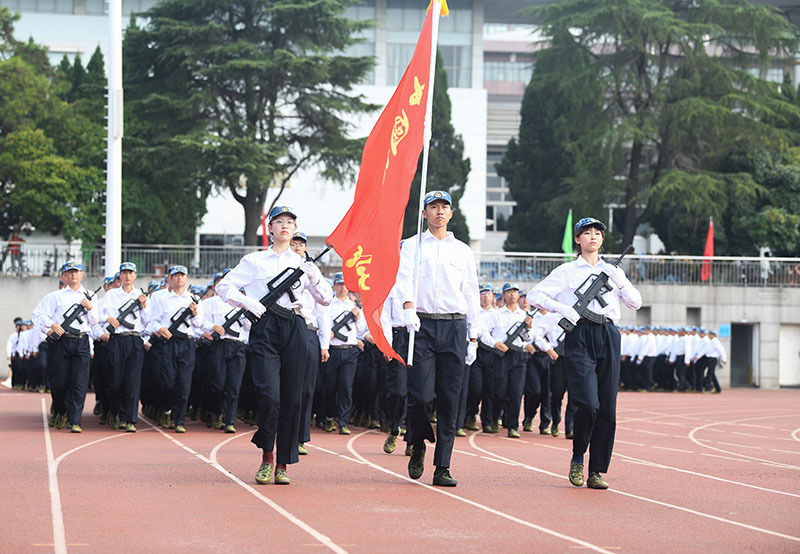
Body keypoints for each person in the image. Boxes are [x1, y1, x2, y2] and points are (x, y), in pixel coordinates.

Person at [215, 205, 332, 486]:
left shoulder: (305, 265)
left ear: (294, 229)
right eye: (278, 222)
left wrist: (314, 276)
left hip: (296, 329)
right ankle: (267, 456)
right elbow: (223, 287)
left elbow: (326, 299)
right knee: (270, 395)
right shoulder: (254, 261)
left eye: (289, 222)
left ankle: (283, 464)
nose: (284, 226)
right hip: (265, 329)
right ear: (270, 228)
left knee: (293, 399)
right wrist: (248, 302)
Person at [531, 217, 641, 490]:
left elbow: (636, 303)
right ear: (578, 240)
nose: (593, 237)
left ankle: (597, 470)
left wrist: (621, 283)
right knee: (587, 403)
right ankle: (579, 455)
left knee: (607, 409)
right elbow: (534, 295)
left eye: (597, 233)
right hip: (580, 336)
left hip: (608, 335)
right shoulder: (567, 271)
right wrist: (561, 308)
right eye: (587, 233)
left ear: (602, 240)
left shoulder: (614, 272)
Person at [395, 190, 479, 487]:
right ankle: (417, 443)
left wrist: (474, 336)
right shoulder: (412, 246)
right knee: (420, 396)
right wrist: (407, 308)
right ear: (424, 213)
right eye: (433, 207)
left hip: (455, 327)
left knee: (449, 400)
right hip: (423, 326)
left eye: (444, 207)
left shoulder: (463, 251)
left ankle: (442, 465)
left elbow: (470, 292)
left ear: (451, 213)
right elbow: (403, 278)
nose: (439, 212)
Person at [32, 261, 100, 433]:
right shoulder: (55, 296)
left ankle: (74, 420)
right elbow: (37, 314)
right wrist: (51, 324)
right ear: (63, 276)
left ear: (82, 274)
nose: (73, 275)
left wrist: (90, 308)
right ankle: (60, 410)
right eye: (69, 272)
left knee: (79, 383)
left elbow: (94, 321)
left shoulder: (90, 295)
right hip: (61, 342)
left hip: (81, 340)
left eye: (76, 272)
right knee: (60, 381)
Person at [144, 265, 202, 433]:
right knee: (167, 382)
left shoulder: (193, 298)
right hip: (167, 343)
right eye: (175, 276)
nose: (179, 279)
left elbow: (199, 325)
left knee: (184, 384)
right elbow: (151, 320)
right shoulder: (159, 297)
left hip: (186, 343)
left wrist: (196, 313)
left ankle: (179, 420)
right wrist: (160, 329)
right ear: (168, 278)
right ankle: (166, 409)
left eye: (182, 276)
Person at [102, 262, 149, 432]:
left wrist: (143, 306)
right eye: (124, 273)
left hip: (135, 340)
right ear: (120, 276)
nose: (128, 276)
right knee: (115, 380)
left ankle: (129, 419)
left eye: (131, 273)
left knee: (132, 381)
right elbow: (97, 314)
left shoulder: (141, 296)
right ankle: (114, 412)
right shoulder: (111, 295)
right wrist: (108, 318)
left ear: (135, 276)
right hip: (117, 339)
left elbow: (147, 321)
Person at [320, 272, 364, 435]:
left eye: (345, 285)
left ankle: (344, 422)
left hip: (350, 350)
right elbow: (322, 324)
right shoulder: (328, 305)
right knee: (330, 387)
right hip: (333, 350)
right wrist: (328, 334)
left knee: (346, 386)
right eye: (339, 284)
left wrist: (358, 317)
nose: (342, 288)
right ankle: (329, 417)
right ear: (334, 286)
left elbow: (360, 330)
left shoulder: (353, 307)